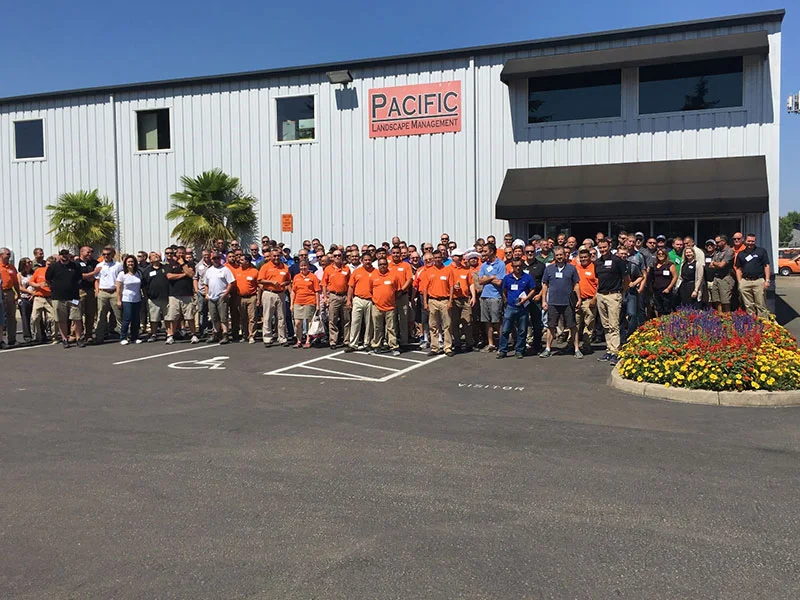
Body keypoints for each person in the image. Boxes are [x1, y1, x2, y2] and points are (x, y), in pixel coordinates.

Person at [539, 247, 581, 358]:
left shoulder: (571, 268)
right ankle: (548, 348)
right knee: (551, 326)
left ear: (565, 255)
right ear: (554, 256)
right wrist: (544, 301)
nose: (559, 257)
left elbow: (576, 285)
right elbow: (545, 285)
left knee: (572, 326)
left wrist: (579, 299)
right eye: (557, 255)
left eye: (561, 255)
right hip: (553, 302)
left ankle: (577, 349)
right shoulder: (549, 269)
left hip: (568, 303)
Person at [594, 239, 629, 366]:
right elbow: (597, 280)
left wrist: (621, 293)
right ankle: (609, 350)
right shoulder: (597, 262)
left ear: (609, 246)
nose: (602, 249)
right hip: (601, 296)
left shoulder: (618, 260)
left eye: (604, 247)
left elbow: (626, 279)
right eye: (600, 248)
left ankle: (615, 352)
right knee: (606, 325)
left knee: (614, 325)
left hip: (613, 295)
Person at [496, 258, 536, 359]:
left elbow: (533, 290)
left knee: (522, 330)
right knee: (505, 330)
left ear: (522, 266)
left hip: (523, 307)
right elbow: (504, 291)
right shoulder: (507, 278)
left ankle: (519, 350)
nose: (518, 268)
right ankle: (503, 350)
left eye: (519, 266)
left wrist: (526, 298)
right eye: (515, 266)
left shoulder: (527, 278)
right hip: (510, 307)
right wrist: (506, 301)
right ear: (512, 267)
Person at [45, 249, 86, 348]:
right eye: (62, 254)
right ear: (59, 256)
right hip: (58, 297)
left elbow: (79, 278)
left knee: (77, 318)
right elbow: (48, 279)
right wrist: (55, 288)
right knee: (61, 319)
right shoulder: (53, 267)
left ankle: (79, 338)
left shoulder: (75, 266)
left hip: (73, 297)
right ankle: (64, 339)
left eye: (66, 254)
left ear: (69, 255)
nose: (64, 256)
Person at [421, 249, 454, 356]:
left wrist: (450, 301)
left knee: (447, 325)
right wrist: (425, 303)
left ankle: (447, 347)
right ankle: (434, 347)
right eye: (435, 258)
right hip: (432, 301)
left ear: (442, 258)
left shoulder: (448, 270)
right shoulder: (428, 271)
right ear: (433, 259)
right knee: (433, 325)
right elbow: (425, 288)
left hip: (444, 301)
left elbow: (452, 286)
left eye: (439, 257)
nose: (437, 260)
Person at [165, 246, 199, 345]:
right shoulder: (171, 264)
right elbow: (169, 276)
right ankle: (170, 335)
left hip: (187, 294)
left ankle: (193, 335)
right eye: (179, 253)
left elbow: (191, 274)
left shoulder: (190, 263)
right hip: (174, 295)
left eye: (182, 253)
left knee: (189, 316)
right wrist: (183, 275)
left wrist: (183, 264)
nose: (180, 254)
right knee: (173, 316)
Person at [258, 249, 292, 347]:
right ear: (271, 256)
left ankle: (282, 338)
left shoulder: (284, 267)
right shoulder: (265, 267)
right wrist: (271, 282)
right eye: (274, 256)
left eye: (278, 256)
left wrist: (284, 283)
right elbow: (260, 280)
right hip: (269, 293)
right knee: (268, 316)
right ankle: (267, 338)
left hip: (281, 293)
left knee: (281, 317)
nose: (276, 258)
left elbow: (289, 280)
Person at [369, 257, 402, 355]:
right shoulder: (373, 276)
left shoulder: (394, 276)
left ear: (387, 265)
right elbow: (370, 290)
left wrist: (391, 299)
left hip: (390, 307)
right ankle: (376, 345)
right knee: (377, 327)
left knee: (391, 328)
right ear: (378, 265)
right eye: (380, 264)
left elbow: (398, 291)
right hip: (377, 307)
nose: (382, 266)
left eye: (384, 264)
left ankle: (393, 346)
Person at [735, 233, 771, 318]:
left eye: (752, 241)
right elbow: (738, 269)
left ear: (755, 241)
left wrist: (767, 280)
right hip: (745, 281)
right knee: (748, 305)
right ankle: (753, 322)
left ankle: (764, 323)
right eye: (749, 241)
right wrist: (740, 282)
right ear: (745, 241)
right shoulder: (741, 254)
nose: (750, 243)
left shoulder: (761, 251)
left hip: (758, 281)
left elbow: (767, 266)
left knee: (760, 304)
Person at [203, 252, 236, 344]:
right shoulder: (209, 270)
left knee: (223, 317)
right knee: (214, 317)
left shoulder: (225, 269)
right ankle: (216, 333)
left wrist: (225, 294)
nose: (216, 260)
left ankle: (225, 334)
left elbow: (231, 283)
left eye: (217, 258)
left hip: (221, 296)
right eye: (214, 258)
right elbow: (206, 284)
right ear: (211, 259)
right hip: (211, 297)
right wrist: (206, 294)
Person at [477, 243, 505, 352]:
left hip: (495, 297)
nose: (483, 253)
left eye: (485, 251)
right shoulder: (484, 265)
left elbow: (499, 282)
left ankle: (502, 344)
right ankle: (491, 344)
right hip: (485, 296)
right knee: (487, 322)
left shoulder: (500, 264)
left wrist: (488, 278)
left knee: (497, 322)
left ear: (492, 251)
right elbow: (480, 281)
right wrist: (492, 276)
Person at [346, 252, 376, 351]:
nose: (367, 261)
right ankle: (353, 344)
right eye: (365, 260)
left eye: (369, 260)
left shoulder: (375, 272)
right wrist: (349, 300)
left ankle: (367, 343)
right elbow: (351, 286)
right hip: (358, 299)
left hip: (370, 300)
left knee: (369, 323)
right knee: (355, 322)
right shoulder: (356, 272)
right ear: (361, 261)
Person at [322, 248, 351, 349]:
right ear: (332, 258)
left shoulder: (346, 268)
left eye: (339, 255)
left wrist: (349, 298)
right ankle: (333, 341)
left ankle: (346, 340)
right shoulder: (328, 269)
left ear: (342, 256)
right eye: (335, 256)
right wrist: (325, 297)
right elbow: (324, 284)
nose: (337, 257)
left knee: (346, 319)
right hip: (334, 296)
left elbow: (350, 284)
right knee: (332, 319)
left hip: (344, 296)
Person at [448, 249, 476, 353]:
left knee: (467, 322)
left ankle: (469, 343)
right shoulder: (448, 269)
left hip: (465, 299)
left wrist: (473, 296)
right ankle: (458, 344)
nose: (460, 258)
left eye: (461, 256)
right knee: (454, 323)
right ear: (453, 257)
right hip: (454, 299)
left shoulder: (466, 269)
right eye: (458, 256)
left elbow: (471, 283)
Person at [94, 246, 123, 344]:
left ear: (113, 255)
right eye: (104, 254)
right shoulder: (99, 265)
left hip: (114, 292)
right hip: (103, 292)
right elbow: (97, 280)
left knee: (119, 315)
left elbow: (121, 279)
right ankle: (99, 337)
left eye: (108, 254)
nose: (106, 256)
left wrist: (120, 293)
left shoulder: (118, 265)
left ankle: (123, 335)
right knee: (101, 315)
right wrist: (97, 292)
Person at [290, 259, 320, 348]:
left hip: (309, 301)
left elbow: (316, 291)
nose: (303, 267)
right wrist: (291, 304)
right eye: (302, 266)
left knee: (309, 323)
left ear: (308, 266)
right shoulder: (296, 277)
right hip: (298, 302)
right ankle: (299, 340)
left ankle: (307, 340)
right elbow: (293, 292)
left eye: (305, 265)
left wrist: (317, 305)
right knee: (297, 323)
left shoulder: (313, 277)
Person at [387, 245, 413, 347]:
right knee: (391, 320)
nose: (396, 255)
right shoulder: (388, 265)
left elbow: (409, 279)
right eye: (394, 253)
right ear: (391, 254)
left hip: (402, 296)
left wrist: (401, 290)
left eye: (398, 253)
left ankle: (404, 341)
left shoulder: (406, 265)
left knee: (403, 319)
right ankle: (391, 341)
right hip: (391, 297)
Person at [575, 249, 598, 356]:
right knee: (575, 324)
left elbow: (599, 285)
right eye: (581, 257)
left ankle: (586, 346)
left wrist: (594, 299)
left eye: (585, 257)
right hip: (577, 300)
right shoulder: (576, 268)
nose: (583, 259)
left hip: (590, 300)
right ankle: (572, 345)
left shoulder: (594, 267)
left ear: (589, 257)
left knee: (589, 325)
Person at [116, 254, 143, 345]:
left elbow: (141, 287)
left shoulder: (138, 273)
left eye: (132, 262)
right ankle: (123, 337)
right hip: (127, 299)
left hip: (137, 299)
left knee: (136, 319)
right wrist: (119, 300)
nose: (130, 263)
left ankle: (134, 337)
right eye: (129, 262)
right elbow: (119, 288)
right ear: (125, 263)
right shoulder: (122, 274)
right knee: (127, 318)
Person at [142, 251, 169, 342]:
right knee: (154, 318)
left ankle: (168, 333)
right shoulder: (147, 271)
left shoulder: (165, 267)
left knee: (167, 317)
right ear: (150, 259)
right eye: (153, 255)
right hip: (153, 298)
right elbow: (144, 285)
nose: (156, 256)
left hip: (166, 297)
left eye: (157, 255)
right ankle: (153, 334)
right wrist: (146, 296)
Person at [28, 256, 55, 344]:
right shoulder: (39, 270)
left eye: (51, 265)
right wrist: (38, 285)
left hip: (50, 298)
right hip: (39, 297)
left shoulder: (56, 272)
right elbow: (31, 282)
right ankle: (37, 337)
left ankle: (54, 336)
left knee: (53, 318)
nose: (49, 266)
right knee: (35, 317)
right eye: (48, 264)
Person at [233, 252, 259, 343]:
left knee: (252, 317)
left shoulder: (254, 271)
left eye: (242, 260)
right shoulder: (237, 271)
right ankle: (245, 335)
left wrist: (258, 298)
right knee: (243, 317)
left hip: (251, 297)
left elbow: (258, 286)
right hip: (240, 297)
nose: (240, 261)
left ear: (247, 262)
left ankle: (252, 335)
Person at [75, 246, 100, 343]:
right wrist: (92, 273)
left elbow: (97, 276)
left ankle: (88, 335)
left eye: (91, 252)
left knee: (90, 313)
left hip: (90, 290)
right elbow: (78, 276)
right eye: (88, 252)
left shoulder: (94, 263)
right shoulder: (75, 264)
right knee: (77, 314)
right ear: (81, 252)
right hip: (79, 291)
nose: (90, 254)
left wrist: (90, 276)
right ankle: (76, 334)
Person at [710, 235, 735, 313]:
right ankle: (720, 315)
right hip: (716, 277)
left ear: (723, 241)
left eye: (717, 242)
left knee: (725, 300)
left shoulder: (729, 251)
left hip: (725, 277)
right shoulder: (717, 251)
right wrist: (716, 264)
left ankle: (727, 317)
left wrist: (714, 263)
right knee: (717, 300)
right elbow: (710, 266)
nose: (716, 244)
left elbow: (722, 265)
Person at [648, 248, 677, 317]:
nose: (661, 255)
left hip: (666, 291)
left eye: (662, 254)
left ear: (666, 255)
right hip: (656, 290)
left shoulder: (670, 265)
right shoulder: (654, 265)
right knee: (658, 309)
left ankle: (667, 325)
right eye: (659, 254)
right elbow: (651, 277)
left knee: (667, 309)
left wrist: (669, 288)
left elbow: (675, 277)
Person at [1, 247, 20, 347]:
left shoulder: (11, 267)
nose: (9, 256)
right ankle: (1, 340)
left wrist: (18, 293)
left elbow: (16, 282)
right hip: (1, 292)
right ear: (1, 255)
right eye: (7, 254)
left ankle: (12, 339)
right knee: (1, 317)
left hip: (10, 293)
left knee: (11, 317)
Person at [194, 249, 213, 336]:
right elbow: (195, 278)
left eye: (207, 255)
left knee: (213, 311)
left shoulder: (214, 264)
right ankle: (203, 330)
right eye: (204, 255)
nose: (206, 256)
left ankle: (214, 330)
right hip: (201, 291)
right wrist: (196, 290)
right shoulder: (198, 266)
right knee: (202, 311)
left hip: (213, 292)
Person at [16, 257, 34, 343]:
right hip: (24, 297)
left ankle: (41, 333)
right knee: (25, 317)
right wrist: (28, 291)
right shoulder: (19, 275)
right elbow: (19, 287)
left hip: (34, 296)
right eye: (28, 262)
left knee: (37, 317)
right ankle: (27, 335)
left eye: (30, 262)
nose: (30, 263)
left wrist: (34, 294)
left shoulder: (33, 273)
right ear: (23, 264)